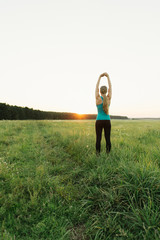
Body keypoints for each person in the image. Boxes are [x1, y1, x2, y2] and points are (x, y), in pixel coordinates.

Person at [95, 72, 112, 154]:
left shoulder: (98, 98)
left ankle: (98, 155)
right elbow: (111, 87)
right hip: (107, 121)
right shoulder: (108, 98)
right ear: (106, 91)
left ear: (100, 91)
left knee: (98, 138)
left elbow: (96, 87)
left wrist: (99, 77)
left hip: (99, 121)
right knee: (107, 138)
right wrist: (108, 76)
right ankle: (107, 155)